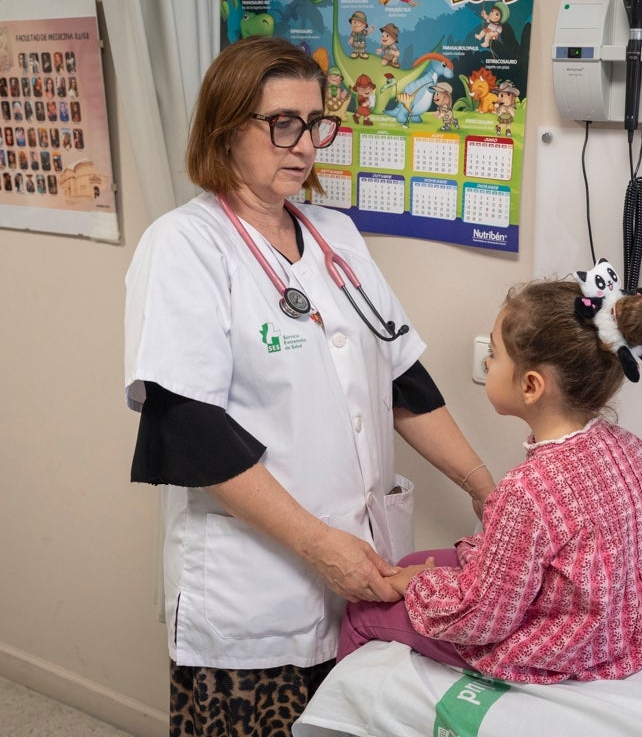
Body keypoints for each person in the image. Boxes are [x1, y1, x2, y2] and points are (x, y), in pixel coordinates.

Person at [123, 36, 493, 736]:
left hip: (361, 569)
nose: (305, 145)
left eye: (315, 122)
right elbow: (185, 429)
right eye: (281, 123)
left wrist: (484, 486)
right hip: (254, 590)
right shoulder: (184, 246)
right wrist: (318, 545)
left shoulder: (336, 236)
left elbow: (401, 376)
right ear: (227, 127)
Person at [337, 274, 642, 683]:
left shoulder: (526, 491)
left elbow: (484, 619)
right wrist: (421, 575)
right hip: (622, 626)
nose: (486, 363)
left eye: (494, 355)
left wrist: (421, 587)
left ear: (531, 386)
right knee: (406, 565)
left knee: (362, 611)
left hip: (569, 640)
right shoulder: (626, 447)